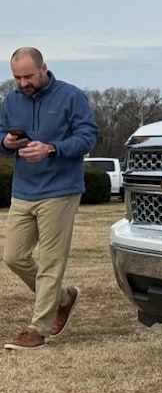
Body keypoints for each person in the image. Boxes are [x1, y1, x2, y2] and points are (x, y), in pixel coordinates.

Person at [0, 47, 98, 350]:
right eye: (17, 77)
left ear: (44, 69)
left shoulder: (71, 97)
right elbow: (1, 135)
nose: (23, 82)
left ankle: (38, 329)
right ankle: (64, 298)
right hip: (23, 190)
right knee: (14, 257)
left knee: (50, 263)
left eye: (28, 76)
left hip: (60, 189)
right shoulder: (11, 100)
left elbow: (89, 136)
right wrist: (5, 141)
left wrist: (51, 148)